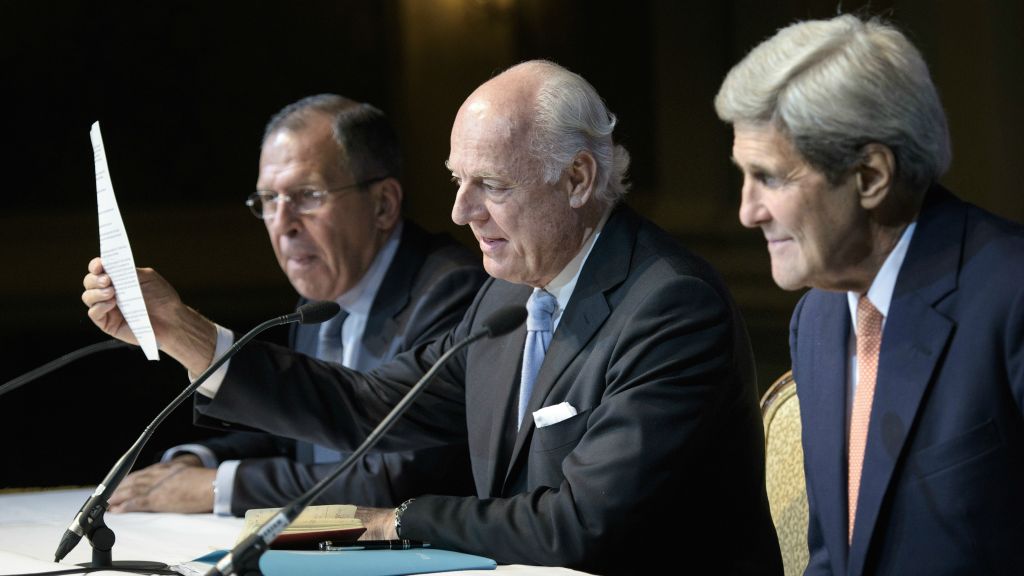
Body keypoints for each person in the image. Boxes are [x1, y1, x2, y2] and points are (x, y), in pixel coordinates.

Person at [87, 61, 781, 574]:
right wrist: (187, 333)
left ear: (578, 180)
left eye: (493, 186)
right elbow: (375, 406)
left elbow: (583, 524)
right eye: (458, 181)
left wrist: (400, 521)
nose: (460, 212)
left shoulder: (669, 306)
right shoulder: (509, 293)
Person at [716, 14, 1024, 575]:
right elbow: (834, 558)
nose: (747, 211)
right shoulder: (817, 317)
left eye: (771, 178)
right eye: (742, 176)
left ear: (871, 177)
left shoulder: (1012, 296)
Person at [83, 94, 485, 517]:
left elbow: (397, 477)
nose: (283, 223)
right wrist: (200, 461)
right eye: (268, 200)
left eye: (307, 195)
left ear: (383, 204)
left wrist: (220, 487)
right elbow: (302, 435)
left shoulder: (451, 291)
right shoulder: (318, 300)